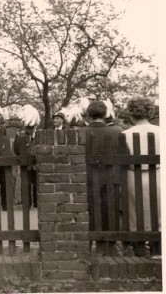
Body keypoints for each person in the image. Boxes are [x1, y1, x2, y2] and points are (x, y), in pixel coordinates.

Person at [82, 100, 122, 255]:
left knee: (89, 211)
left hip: (88, 178)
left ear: (88, 115)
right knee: (109, 211)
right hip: (111, 178)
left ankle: (88, 244)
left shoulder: (81, 131)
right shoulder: (117, 131)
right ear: (105, 114)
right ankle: (108, 246)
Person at [123, 97, 161, 258]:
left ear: (131, 114)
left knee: (136, 214)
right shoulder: (161, 131)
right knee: (158, 213)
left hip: (133, 177)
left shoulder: (125, 134)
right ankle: (157, 250)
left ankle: (139, 250)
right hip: (158, 175)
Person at [13, 104, 40, 208]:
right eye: (28, 127)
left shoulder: (40, 134)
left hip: (37, 164)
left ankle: (37, 203)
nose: (30, 129)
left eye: (31, 127)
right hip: (25, 163)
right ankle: (26, 203)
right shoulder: (20, 134)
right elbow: (16, 149)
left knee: (37, 184)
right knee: (26, 184)